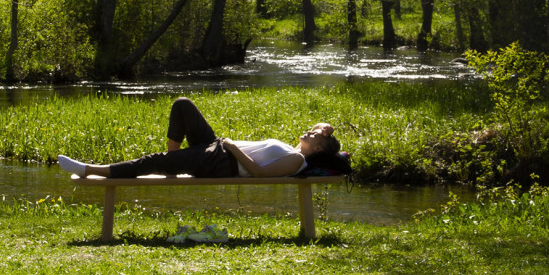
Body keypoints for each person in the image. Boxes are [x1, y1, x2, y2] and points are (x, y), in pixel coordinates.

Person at [57, 96, 340, 180]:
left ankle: (88, 170)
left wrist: (232, 148)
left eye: (315, 135)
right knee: (183, 105)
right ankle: (173, 164)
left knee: (152, 161)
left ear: (316, 148)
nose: (311, 130)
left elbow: (258, 173)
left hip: (221, 161)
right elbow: (318, 129)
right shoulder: (295, 149)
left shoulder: (295, 161)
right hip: (217, 149)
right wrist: (323, 126)